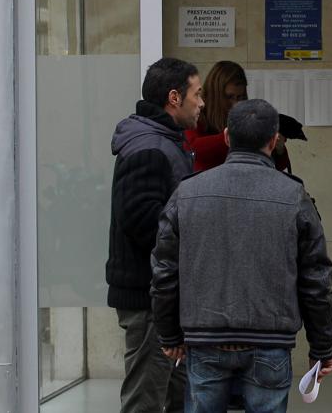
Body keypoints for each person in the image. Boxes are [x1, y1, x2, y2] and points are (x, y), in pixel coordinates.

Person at [151, 99, 332, 413]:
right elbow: (315, 279)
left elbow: (164, 270)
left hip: (204, 338)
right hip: (270, 342)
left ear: (226, 137)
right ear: (274, 140)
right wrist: (322, 346)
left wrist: (169, 334)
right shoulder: (294, 196)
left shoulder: (188, 192)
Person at [107, 57, 204, 413]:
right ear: (175, 97)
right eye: (198, 93)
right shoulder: (149, 147)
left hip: (163, 294)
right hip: (149, 298)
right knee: (146, 399)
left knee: (177, 397)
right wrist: (194, 232)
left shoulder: (166, 142)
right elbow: (140, 219)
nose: (202, 102)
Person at [186, 61, 296, 174]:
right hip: (208, 185)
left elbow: (278, 165)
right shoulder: (197, 113)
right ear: (216, 94)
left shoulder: (249, 114)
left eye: (240, 97)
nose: (236, 104)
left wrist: (279, 149)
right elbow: (190, 148)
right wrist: (235, 135)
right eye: (229, 97)